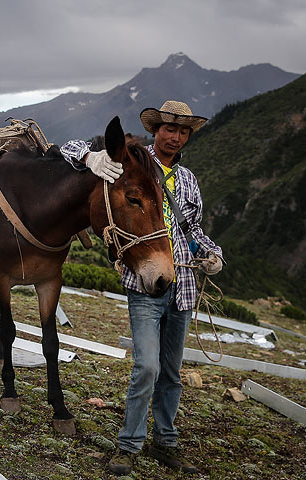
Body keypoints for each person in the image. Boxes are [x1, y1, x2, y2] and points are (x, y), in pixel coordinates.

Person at [60, 101, 224, 475]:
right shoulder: (130, 163)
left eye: (183, 132)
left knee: (171, 372)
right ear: (156, 130)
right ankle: (129, 444)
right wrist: (90, 157)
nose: (175, 137)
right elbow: (64, 149)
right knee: (146, 366)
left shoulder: (188, 182)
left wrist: (212, 255)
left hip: (181, 284)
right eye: (169, 129)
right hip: (143, 285)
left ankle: (165, 442)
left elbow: (193, 230)